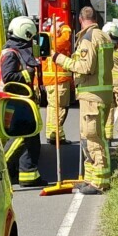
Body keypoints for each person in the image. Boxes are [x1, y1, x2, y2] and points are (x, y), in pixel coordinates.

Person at [54, 6, 114, 194]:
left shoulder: (88, 38)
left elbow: (86, 67)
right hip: (99, 94)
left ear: (80, 19)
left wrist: (60, 59)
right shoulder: (104, 36)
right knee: (87, 137)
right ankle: (90, 178)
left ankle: (100, 182)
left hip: (92, 96)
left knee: (94, 137)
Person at [0, 16, 45, 187]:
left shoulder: (17, 50)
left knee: (31, 139)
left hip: (23, 101)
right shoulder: (11, 53)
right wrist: (28, 74)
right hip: (16, 102)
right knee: (21, 137)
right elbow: (8, 76)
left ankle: (28, 175)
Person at [41, 14, 73, 144]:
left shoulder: (45, 39)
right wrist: (63, 27)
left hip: (50, 81)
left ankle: (51, 134)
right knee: (60, 108)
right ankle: (56, 136)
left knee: (52, 108)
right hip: (58, 80)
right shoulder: (56, 42)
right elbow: (66, 38)